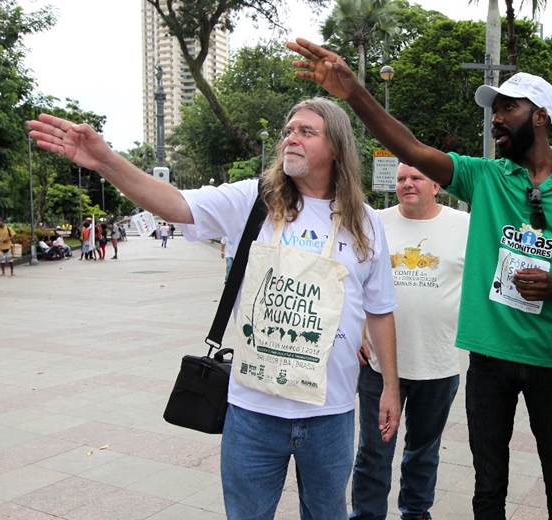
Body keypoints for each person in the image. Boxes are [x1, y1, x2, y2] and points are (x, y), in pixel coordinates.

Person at [288, 39, 552, 519]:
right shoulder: (485, 176)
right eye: (494, 109)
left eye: (509, 108)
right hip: (489, 360)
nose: (496, 118)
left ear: (541, 116)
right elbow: (411, 147)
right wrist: (353, 92)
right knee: (488, 485)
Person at [28, 97, 401, 520]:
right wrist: (105, 161)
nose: (290, 139)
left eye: (305, 132)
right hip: (253, 413)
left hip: (331, 415)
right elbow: (173, 204)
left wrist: (390, 386)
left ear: (335, 147)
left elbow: (380, 309)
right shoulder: (254, 201)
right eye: (288, 131)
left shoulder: (365, 222)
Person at [351, 163, 469, 520]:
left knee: (424, 448)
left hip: (438, 360)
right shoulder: (374, 221)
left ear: (436, 185)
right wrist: (356, 330)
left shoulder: (465, 225)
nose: (407, 184)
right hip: (378, 362)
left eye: (416, 177)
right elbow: (350, 278)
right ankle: (367, 515)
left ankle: (416, 511)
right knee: (374, 450)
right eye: (401, 178)